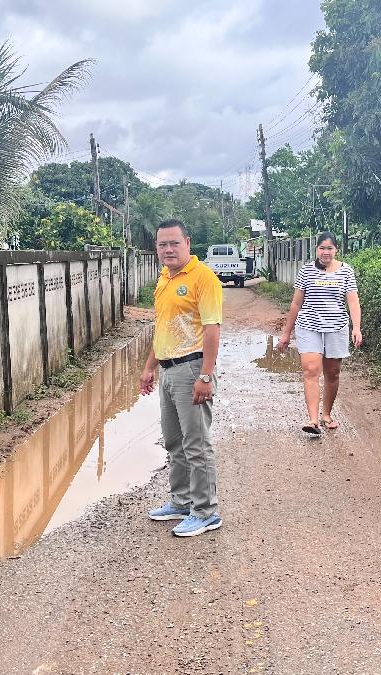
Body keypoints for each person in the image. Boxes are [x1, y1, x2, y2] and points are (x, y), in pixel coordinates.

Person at [139, 219, 224, 537]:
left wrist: (206, 375)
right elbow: (163, 327)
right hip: (168, 369)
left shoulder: (203, 278)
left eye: (174, 243)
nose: (168, 249)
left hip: (192, 369)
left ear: (187, 243)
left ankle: (205, 511)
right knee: (174, 441)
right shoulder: (164, 279)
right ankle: (181, 501)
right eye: (162, 244)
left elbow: (212, 329)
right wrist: (150, 367)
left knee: (196, 444)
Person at [277, 232, 362, 435]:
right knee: (311, 370)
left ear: (336, 250)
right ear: (316, 250)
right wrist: (286, 333)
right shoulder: (306, 270)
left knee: (332, 373)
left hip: (336, 328)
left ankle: (326, 414)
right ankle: (313, 420)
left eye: (329, 248)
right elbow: (296, 304)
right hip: (309, 326)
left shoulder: (346, 271)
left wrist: (356, 327)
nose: (326, 252)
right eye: (322, 248)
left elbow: (353, 301)